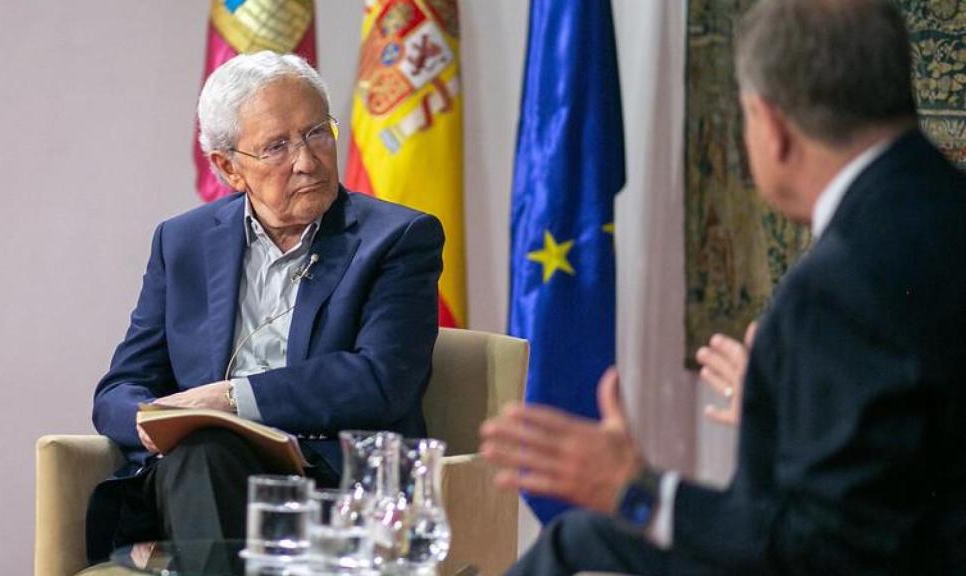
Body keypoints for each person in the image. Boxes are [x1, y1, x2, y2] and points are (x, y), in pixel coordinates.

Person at [480, 0, 966, 574]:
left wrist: (637, 491)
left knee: (579, 537)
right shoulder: (943, 205)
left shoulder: (835, 288)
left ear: (772, 125)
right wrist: (785, 405)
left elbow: (826, 552)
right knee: (584, 540)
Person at [85, 51, 444, 564]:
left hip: (322, 484)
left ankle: (179, 559)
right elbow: (119, 389)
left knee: (206, 462)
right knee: (204, 454)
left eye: (317, 133)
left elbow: (381, 381)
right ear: (229, 167)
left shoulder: (397, 238)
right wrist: (157, 420)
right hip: (196, 471)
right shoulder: (182, 241)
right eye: (277, 146)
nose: (306, 159)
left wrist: (230, 399)